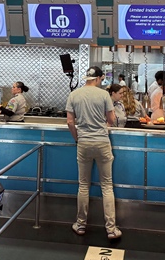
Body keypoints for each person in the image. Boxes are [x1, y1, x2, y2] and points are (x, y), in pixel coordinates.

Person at [66, 66, 121, 240]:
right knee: (107, 186)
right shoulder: (104, 95)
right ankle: (111, 229)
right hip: (102, 142)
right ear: (98, 78)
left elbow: (70, 122)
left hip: (84, 143)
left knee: (83, 185)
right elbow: (111, 119)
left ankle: (80, 224)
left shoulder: (74, 95)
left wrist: (77, 138)